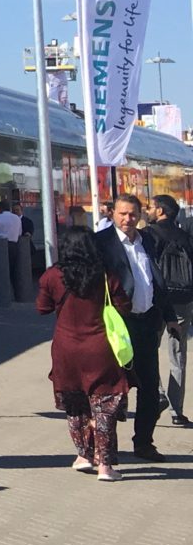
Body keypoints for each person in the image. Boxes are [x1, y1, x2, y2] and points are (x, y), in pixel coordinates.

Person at [39, 226, 133, 479]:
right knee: (104, 407)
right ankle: (105, 465)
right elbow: (124, 305)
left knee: (76, 406)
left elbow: (42, 308)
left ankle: (83, 455)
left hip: (66, 350)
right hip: (100, 349)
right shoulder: (105, 276)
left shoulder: (51, 276)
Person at [95, 193, 166, 462]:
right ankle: (105, 448)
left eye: (133, 214)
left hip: (147, 322)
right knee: (112, 389)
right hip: (117, 326)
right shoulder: (102, 243)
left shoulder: (148, 240)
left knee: (149, 387)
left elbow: (157, 280)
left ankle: (144, 443)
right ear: (113, 213)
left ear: (141, 215)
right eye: (122, 214)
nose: (128, 219)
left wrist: (167, 316)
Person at [147, 195, 193, 429]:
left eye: (151, 206)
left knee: (147, 351)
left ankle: (158, 393)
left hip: (157, 301)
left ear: (161, 211)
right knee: (178, 355)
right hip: (183, 301)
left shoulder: (149, 234)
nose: (148, 209)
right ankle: (178, 411)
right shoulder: (185, 236)